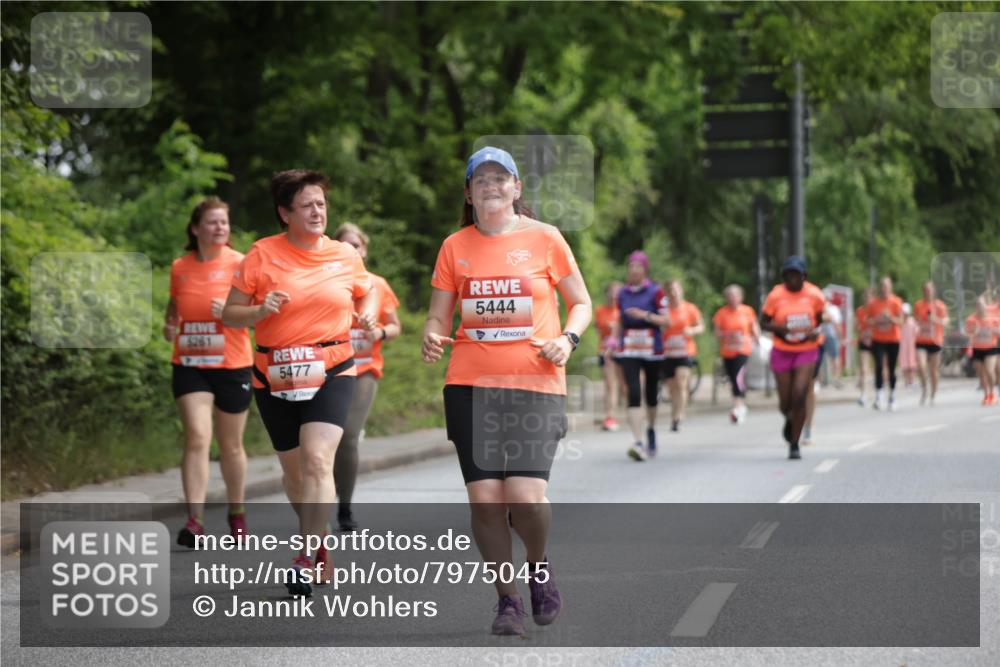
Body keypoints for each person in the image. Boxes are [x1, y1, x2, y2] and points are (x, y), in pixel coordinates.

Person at [421, 146, 591, 636]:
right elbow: (438, 315)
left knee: (525, 497)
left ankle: (537, 566)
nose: (491, 186)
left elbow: (580, 303)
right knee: (487, 502)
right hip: (469, 385)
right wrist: (431, 334)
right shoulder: (454, 246)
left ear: (517, 188)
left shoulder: (545, 238)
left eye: (501, 178)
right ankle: (508, 601)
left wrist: (567, 339)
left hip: (535, 384)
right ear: (469, 194)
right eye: (481, 180)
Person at [222, 170, 378, 597]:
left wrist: (367, 310)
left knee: (317, 459)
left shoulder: (344, 255)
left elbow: (367, 290)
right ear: (285, 213)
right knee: (294, 475)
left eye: (321, 204)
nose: (316, 212)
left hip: (333, 368)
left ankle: (304, 557)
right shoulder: (261, 254)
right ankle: (319, 540)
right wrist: (259, 312)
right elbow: (230, 314)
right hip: (274, 374)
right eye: (307, 205)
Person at [165, 197, 253, 547]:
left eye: (224, 222)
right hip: (191, 364)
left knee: (230, 445)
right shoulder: (180, 267)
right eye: (213, 222)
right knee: (197, 437)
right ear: (195, 228)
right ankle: (195, 520)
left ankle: (237, 512)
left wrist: (230, 313)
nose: (220, 228)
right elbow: (174, 306)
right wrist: (169, 326)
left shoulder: (241, 263)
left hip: (233, 363)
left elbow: (260, 314)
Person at [332, 222, 401, 531]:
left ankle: (344, 507)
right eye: (345, 245)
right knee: (325, 439)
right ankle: (324, 493)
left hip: (364, 370)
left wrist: (380, 332)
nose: (352, 250)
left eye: (356, 245)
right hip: (328, 370)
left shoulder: (378, 284)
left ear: (365, 250)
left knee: (348, 435)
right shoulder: (327, 282)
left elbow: (395, 325)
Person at [760, 256, 826, 460]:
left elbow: (820, 321)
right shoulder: (776, 295)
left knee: (799, 394)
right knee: (785, 401)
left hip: (807, 349)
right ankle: (789, 417)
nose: (793, 279)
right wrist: (781, 329)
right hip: (782, 350)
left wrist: (814, 332)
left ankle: (794, 443)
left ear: (804, 276)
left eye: (797, 274)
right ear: (784, 277)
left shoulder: (815, 295)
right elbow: (763, 322)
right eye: (789, 275)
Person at [610, 251, 670, 460]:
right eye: (631, 266)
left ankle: (651, 428)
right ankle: (637, 441)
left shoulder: (656, 291)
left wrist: (644, 315)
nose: (634, 270)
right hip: (629, 347)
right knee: (633, 392)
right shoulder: (622, 293)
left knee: (651, 393)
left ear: (645, 269)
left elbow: (666, 320)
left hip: (652, 348)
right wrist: (613, 339)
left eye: (638, 266)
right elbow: (619, 319)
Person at [660, 279, 705, 432]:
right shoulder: (663, 310)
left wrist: (692, 330)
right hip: (667, 352)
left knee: (681, 382)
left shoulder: (690, 308)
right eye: (670, 290)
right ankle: (676, 411)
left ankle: (677, 417)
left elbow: (701, 326)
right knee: (672, 387)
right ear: (667, 293)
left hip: (685, 351)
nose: (674, 293)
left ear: (681, 291)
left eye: (676, 289)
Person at [712, 284, 760, 424]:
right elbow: (717, 332)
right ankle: (741, 403)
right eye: (729, 296)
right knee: (733, 377)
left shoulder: (747, 311)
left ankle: (737, 406)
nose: (732, 298)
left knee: (738, 376)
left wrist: (757, 339)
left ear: (740, 297)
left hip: (743, 350)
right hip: (727, 351)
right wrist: (728, 335)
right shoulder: (721, 313)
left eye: (734, 295)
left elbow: (754, 327)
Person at [866, 276, 904, 411]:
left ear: (890, 287)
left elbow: (901, 321)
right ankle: (878, 395)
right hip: (878, 339)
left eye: (886, 286)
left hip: (893, 339)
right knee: (879, 365)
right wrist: (877, 319)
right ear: (879, 287)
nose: (884, 289)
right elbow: (868, 321)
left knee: (892, 368)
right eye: (882, 286)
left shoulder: (896, 302)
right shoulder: (873, 303)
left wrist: (890, 318)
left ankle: (892, 396)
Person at [913, 281, 949, 406]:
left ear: (933, 291)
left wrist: (935, 319)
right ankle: (924, 389)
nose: (927, 292)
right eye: (925, 290)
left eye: (929, 290)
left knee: (933, 370)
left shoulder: (940, 306)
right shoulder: (918, 305)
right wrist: (920, 321)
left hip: (935, 340)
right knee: (921, 366)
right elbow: (915, 320)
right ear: (922, 291)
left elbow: (946, 321)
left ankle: (934, 394)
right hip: (921, 340)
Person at [594, 282, 623, 431]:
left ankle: (635, 412)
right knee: (610, 384)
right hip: (606, 351)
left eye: (617, 292)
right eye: (611, 292)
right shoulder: (600, 310)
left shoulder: (624, 310)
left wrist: (618, 329)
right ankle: (610, 417)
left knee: (625, 385)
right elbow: (597, 328)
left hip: (623, 351)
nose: (613, 295)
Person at [965, 296, 999, 405]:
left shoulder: (993, 318)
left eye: (982, 305)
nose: (980, 307)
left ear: (986, 306)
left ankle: (992, 394)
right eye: (978, 305)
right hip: (977, 349)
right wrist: (974, 332)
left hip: (991, 348)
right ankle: (986, 395)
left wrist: (993, 330)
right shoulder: (971, 319)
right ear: (975, 307)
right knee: (981, 374)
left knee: (989, 370)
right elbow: (968, 334)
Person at [855, 287, 875, 407]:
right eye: (865, 296)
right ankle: (863, 394)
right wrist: (861, 331)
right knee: (863, 368)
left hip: (876, 341)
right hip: (864, 341)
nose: (867, 299)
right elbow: (857, 326)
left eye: (869, 296)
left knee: (880, 367)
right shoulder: (860, 310)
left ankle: (880, 391)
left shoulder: (876, 309)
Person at [899, 303, 919, 387]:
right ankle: (906, 381)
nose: (905, 314)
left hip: (912, 344)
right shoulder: (900, 322)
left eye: (906, 313)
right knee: (904, 363)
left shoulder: (912, 321)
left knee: (912, 363)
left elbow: (917, 331)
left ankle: (911, 380)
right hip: (903, 345)